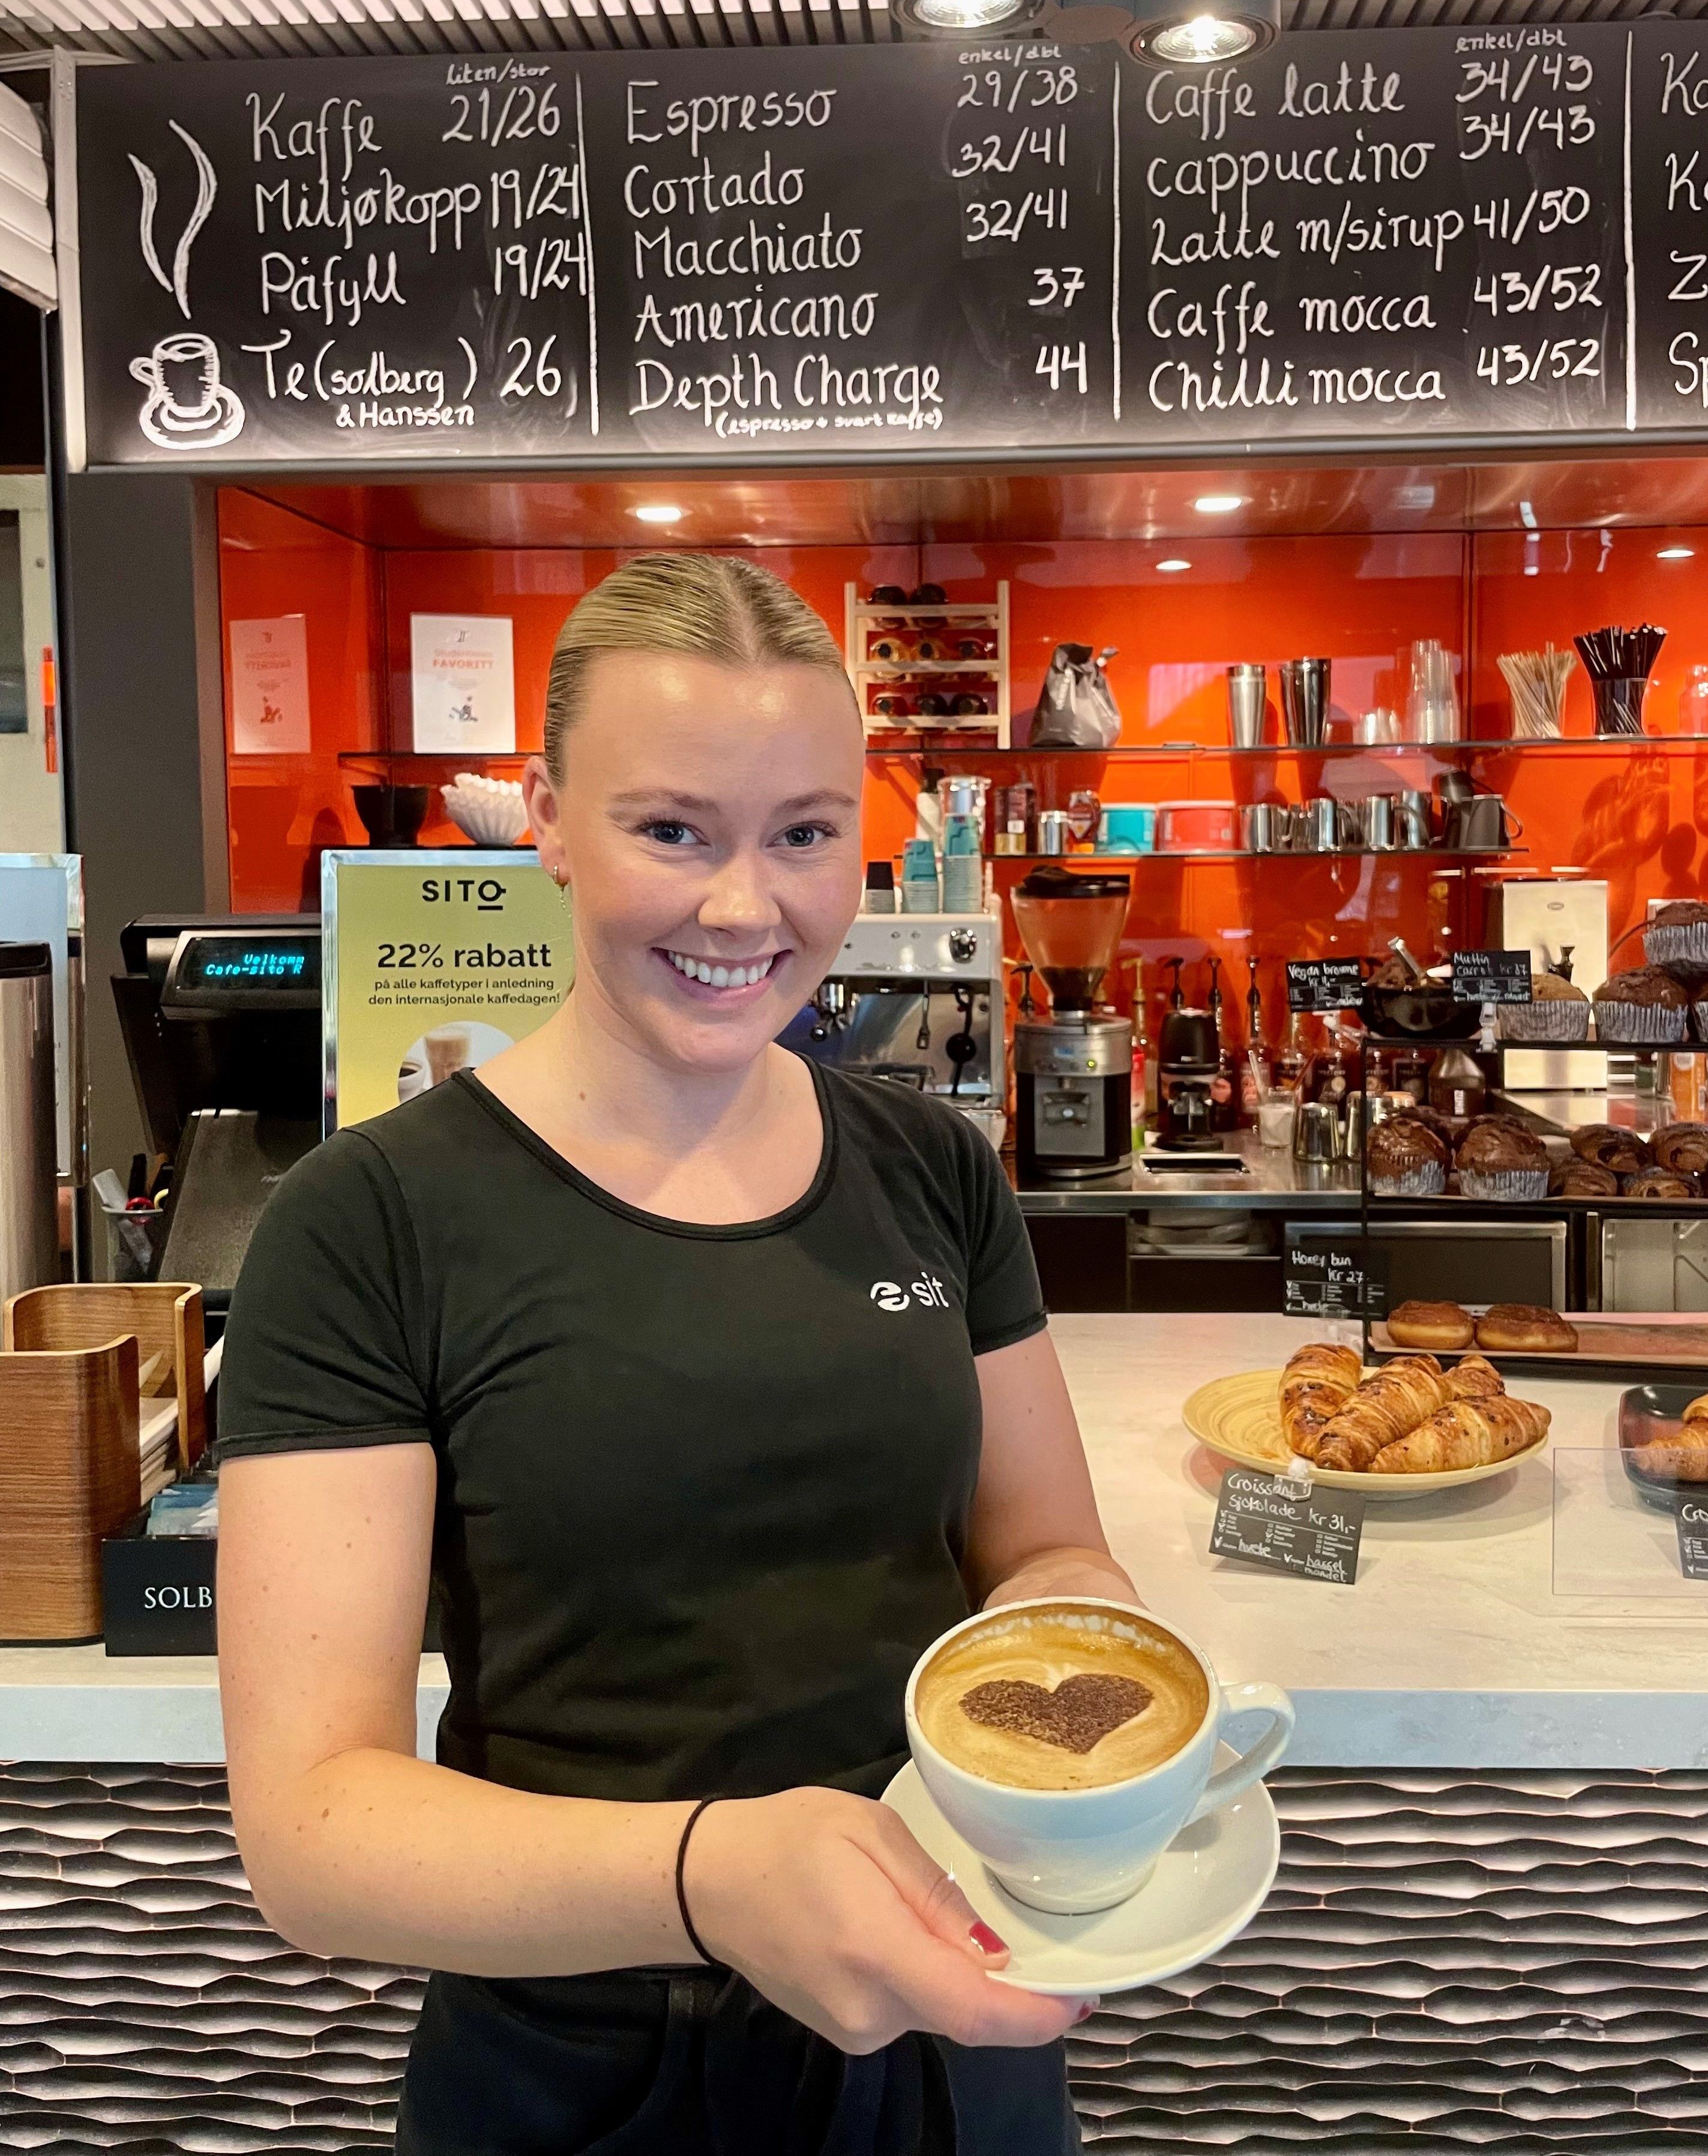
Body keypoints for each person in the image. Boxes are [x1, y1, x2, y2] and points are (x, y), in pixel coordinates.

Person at [216, 552, 1138, 2155]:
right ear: (548, 822)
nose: (744, 907)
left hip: (956, 2027)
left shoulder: (932, 1169)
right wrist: (713, 1877)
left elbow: (1047, 1549)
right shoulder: (369, 1221)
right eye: (672, 831)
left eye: (806, 834)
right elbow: (314, 1834)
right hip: (586, 2072)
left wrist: (1096, 1717)